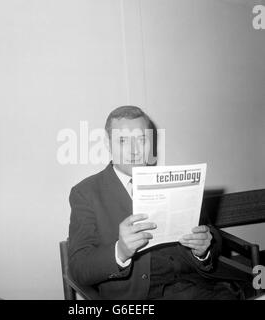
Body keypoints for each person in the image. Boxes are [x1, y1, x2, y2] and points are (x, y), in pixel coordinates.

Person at [68, 106, 251, 300]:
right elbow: (79, 268)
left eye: (141, 139)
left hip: (201, 285)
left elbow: (210, 234)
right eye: (123, 141)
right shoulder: (86, 193)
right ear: (108, 144)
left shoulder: (174, 180)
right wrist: (119, 251)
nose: (134, 151)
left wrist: (203, 248)